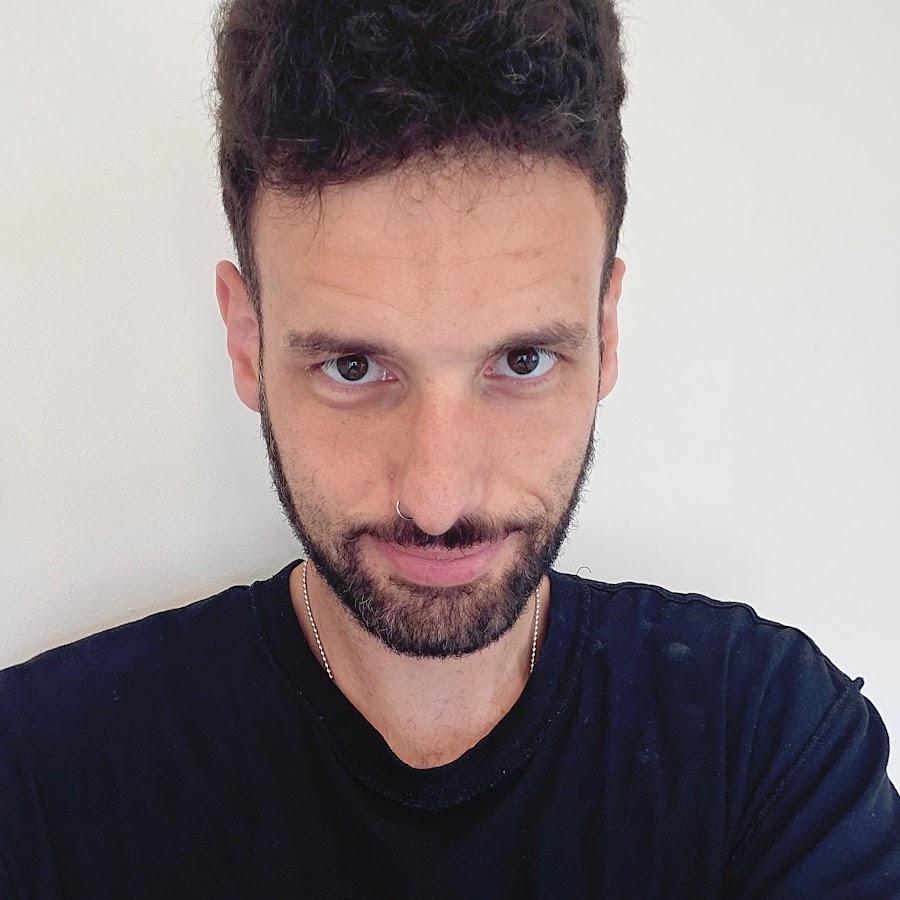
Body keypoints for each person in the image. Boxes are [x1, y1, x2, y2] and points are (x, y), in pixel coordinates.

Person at [1, 0, 898, 895]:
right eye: (354, 367)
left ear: (605, 333)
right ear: (247, 342)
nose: (437, 499)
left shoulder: (767, 745)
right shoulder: (39, 779)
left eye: (522, 361)